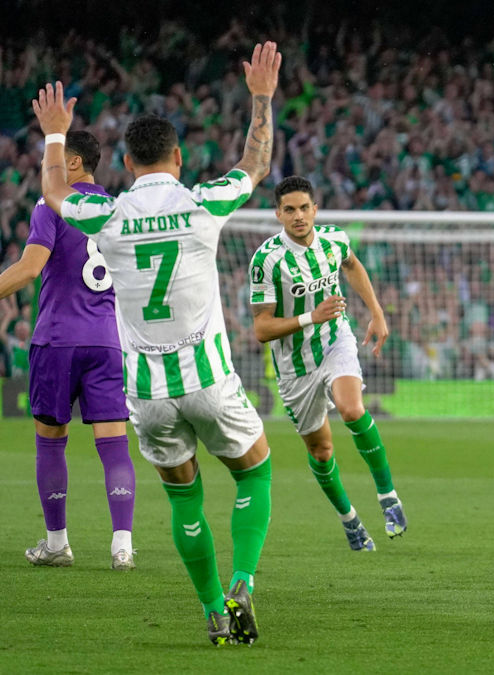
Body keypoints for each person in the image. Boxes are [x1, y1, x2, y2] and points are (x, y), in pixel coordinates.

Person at [31, 41, 281, 645]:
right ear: (179, 156)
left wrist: (55, 135)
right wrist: (261, 98)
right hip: (208, 378)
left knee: (182, 497)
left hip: (145, 389)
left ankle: (212, 611)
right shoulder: (203, 203)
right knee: (255, 474)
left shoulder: (108, 214)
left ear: (125, 160)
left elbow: (56, 193)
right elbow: (255, 164)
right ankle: (241, 581)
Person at [0, 130, 136, 571]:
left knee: (50, 441)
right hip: (107, 340)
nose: (48, 169)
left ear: (73, 163)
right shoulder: (118, 210)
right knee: (114, 444)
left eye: (53, 160)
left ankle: (57, 543)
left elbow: (30, 267)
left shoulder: (52, 204)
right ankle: (122, 547)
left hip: (57, 338)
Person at [249, 176, 406, 551]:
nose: (299, 216)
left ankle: (388, 497)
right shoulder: (266, 260)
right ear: (278, 214)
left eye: (305, 208)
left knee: (352, 409)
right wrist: (310, 317)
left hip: (335, 340)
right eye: (290, 209)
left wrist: (376, 311)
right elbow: (261, 328)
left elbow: (351, 265)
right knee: (321, 452)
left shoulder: (334, 240)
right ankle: (350, 520)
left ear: (315, 209)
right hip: (294, 366)